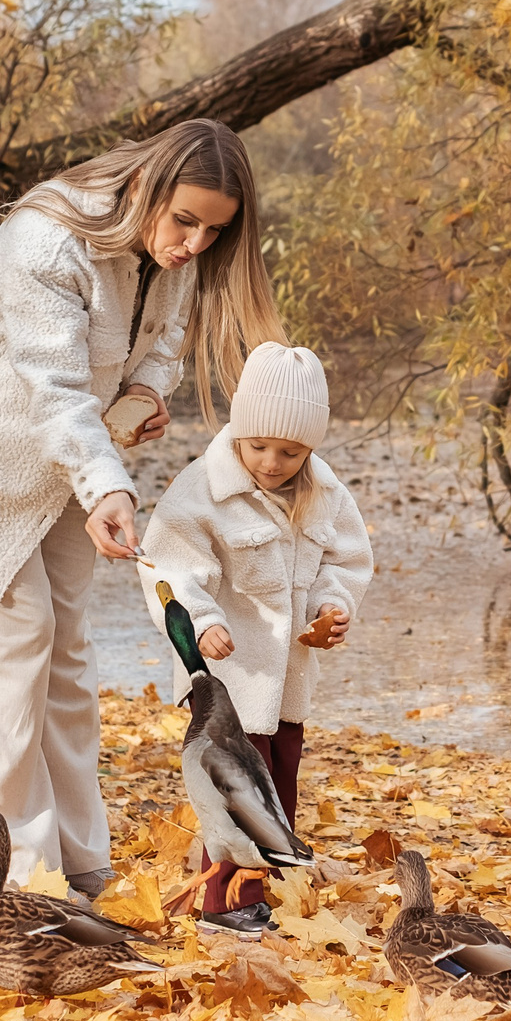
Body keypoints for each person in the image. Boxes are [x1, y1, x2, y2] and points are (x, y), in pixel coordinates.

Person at [0, 119, 281, 897]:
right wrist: (109, 486)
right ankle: (20, 872)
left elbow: (162, 344)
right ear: (144, 187)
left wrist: (141, 393)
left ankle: (81, 857)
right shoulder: (46, 239)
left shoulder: (176, 254)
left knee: (68, 646)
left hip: (67, 463)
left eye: (213, 230)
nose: (195, 244)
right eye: (185, 221)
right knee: (20, 635)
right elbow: (54, 386)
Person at [140, 343, 373, 934]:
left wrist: (332, 606)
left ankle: (258, 889)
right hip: (227, 681)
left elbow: (344, 562)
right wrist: (204, 619)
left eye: (290, 451)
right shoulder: (201, 491)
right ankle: (221, 905)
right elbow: (169, 566)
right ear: (238, 433)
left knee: (278, 787)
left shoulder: (324, 493)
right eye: (259, 446)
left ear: (311, 447)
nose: (272, 462)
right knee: (231, 792)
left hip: (287, 677)